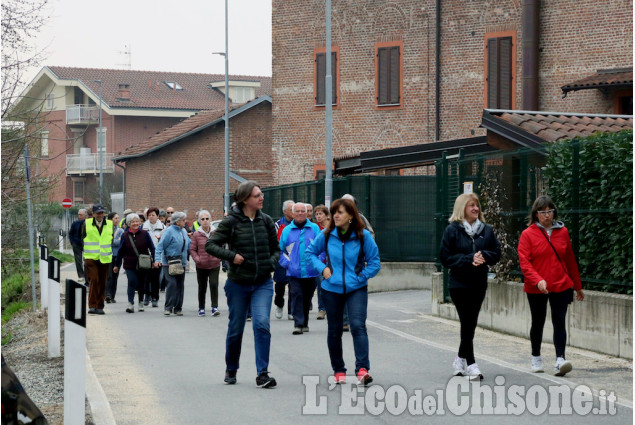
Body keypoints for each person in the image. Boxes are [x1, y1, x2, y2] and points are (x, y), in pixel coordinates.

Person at [205, 181, 280, 388]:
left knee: (261, 324)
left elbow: (276, 249)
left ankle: (262, 373)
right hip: (238, 284)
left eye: (261, 194)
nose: (262, 197)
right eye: (257, 195)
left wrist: (270, 263)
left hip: (262, 283)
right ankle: (231, 368)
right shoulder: (231, 222)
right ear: (245, 199)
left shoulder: (266, 221)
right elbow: (210, 245)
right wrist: (232, 256)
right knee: (236, 328)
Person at [306, 198, 381, 385]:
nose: (336, 216)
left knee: (358, 325)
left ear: (350, 216)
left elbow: (375, 262)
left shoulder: (363, 236)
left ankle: (362, 369)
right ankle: (338, 370)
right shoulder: (326, 234)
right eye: (334, 212)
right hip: (331, 288)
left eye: (340, 212)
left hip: (356, 288)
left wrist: (361, 277)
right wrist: (323, 269)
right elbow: (309, 253)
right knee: (334, 329)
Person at [518, 196, 584, 376]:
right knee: (538, 321)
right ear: (536, 214)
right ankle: (536, 357)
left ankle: (560, 359)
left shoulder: (563, 232)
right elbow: (525, 262)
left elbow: (570, 260)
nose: (546, 215)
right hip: (536, 287)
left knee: (559, 320)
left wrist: (577, 286)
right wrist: (537, 279)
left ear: (554, 212)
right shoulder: (527, 234)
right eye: (542, 212)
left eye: (549, 211)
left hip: (561, 284)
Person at [439, 193, 501, 380]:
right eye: (471, 205)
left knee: (470, 323)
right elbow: (445, 258)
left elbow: (496, 253)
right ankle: (472, 364)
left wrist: (483, 256)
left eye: (477, 205)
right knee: (467, 321)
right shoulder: (452, 230)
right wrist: (468, 259)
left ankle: (459, 359)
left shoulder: (487, 230)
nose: (475, 208)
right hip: (459, 284)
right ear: (462, 208)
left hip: (478, 283)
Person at [279, 203, 321, 335]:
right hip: (294, 272)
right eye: (297, 211)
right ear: (293, 213)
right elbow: (280, 251)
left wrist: (318, 262)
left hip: (311, 271)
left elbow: (322, 248)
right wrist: (287, 263)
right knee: (296, 295)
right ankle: (298, 324)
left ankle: (305, 322)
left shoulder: (314, 228)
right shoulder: (287, 230)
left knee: (307, 298)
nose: (301, 213)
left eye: (303, 211)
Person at [113, 214, 156, 313]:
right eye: (133, 222)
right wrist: (116, 265)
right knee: (132, 282)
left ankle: (141, 302)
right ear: (128, 224)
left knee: (141, 283)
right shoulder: (124, 235)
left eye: (137, 221)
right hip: (129, 264)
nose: (136, 223)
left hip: (143, 263)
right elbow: (120, 251)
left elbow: (152, 248)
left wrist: (154, 260)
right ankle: (130, 303)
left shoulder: (144, 234)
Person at [154, 212, 190, 316]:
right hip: (169, 262)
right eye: (183, 220)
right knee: (171, 284)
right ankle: (168, 307)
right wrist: (157, 260)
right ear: (178, 222)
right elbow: (160, 247)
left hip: (181, 262)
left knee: (180, 285)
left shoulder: (183, 231)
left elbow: (188, 245)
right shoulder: (168, 231)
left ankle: (178, 308)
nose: (185, 222)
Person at [81, 203, 114, 315]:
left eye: (102, 212)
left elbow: (111, 239)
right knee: (94, 280)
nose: (100, 215)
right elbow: (82, 237)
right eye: (98, 213)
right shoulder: (86, 223)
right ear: (93, 214)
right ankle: (92, 305)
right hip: (91, 257)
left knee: (102, 282)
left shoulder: (109, 224)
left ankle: (100, 306)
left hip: (105, 257)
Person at [190, 210, 222, 317]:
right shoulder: (196, 234)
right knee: (202, 287)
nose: (205, 221)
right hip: (201, 265)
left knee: (214, 285)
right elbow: (193, 249)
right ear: (199, 221)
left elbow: (220, 246)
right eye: (202, 219)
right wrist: (197, 259)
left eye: (207, 219)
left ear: (210, 220)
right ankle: (201, 308)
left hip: (214, 264)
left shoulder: (215, 233)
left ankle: (214, 307)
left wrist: (219, 257)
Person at [274, 200, 295, 320]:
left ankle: (291, 310)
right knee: (280, 284)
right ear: (285, 211)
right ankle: (279, 304)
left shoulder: (298, 224)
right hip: (281, 259)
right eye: (291, 209)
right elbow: (273, 242)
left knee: (293, 285)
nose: (294, 212)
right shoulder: (277, 225)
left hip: (294, 259)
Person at [142, 207, 165, 307]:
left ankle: (155, 297)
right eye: (149, 215)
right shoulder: (143, 227)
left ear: (158, 216)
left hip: (157, 254)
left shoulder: (163, 227)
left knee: (156, 278)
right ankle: (147, 296)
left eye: (153, 215)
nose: (151, 217)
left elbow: (164, 242)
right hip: (146, 254)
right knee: (146, 277)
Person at [313, 205, 330, 320]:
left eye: (321, 214)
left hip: (330, 261)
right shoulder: (315, 227)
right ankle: (321, 309)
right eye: (317, 214)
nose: (318, 216)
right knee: (320, 284)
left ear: (326, 215)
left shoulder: (332, 226)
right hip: (320, 262)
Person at [105, 212, 124, 303]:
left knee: (115, 276)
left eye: (118, 218)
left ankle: (112, 295)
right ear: (110, 219)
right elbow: (107, 241)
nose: (117, 220)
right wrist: (116, 240)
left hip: (117, 256)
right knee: (108, 275)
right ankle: (107, 294)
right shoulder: (105, 229)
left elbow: (121, 242)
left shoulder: (120, 231)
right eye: (115, 218)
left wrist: (114, 241)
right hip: (108, 255)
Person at [68, 208, 86, 283]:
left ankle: (87, 275)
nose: (79, 216)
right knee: (78, 260)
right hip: (76, 243)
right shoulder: (75, 223)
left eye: (81, 215)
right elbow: (70, 233)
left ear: (85, 215)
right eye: (79, 215)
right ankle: (81, 275)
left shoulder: (87, 223)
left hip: (85, 244)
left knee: (86, 260)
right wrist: (72, 242)